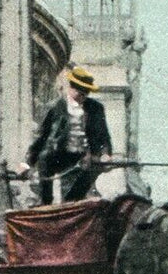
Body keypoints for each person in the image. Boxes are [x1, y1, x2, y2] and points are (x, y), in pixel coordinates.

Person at [22, 66, 112, 204]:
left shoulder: (95, 108)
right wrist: (26, 164)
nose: (83, 98)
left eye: (85, 94)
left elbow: (104, 136)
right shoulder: (55, 107)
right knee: (44, 161)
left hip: (86, 159)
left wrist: (105, 154)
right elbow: (42, 138)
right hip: (59, 156)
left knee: (73, 198)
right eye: (80, 93)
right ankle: (45, 205)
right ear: (71, 88)